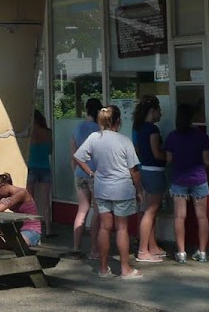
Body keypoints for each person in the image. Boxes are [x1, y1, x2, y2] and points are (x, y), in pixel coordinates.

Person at [74, 105, 144, 280]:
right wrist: (139, 190)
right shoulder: (124, 141)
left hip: (101, 188)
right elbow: (134, 170)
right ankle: (125, 269)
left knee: (105, 227)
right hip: (122, 189)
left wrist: (91, 172)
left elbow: (78, 156)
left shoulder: (94, 138)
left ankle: (103, 268)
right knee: (122, 228)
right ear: (118, 121)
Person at [164, 103, 209, 263]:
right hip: (198, 179)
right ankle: (203, 252)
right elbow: (207, 160)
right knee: (202, 217)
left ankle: (181, 252)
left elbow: (169, 159)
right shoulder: (200, 135)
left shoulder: (172, 136)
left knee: (179, 217)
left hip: (179, 179)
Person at [132, 95, 168, 262]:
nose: (160, 114)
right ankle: (143, 251)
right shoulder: (153, 130)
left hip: (144, 170)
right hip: (154, 172)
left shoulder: (139, 129)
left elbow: (139, 150)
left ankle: (152, 246)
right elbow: (157, 153)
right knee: (150, 211)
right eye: (159, 110)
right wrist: (169, 156)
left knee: (149, 211)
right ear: (152, 111)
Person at [71, 97, 103, 259]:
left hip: (80, 173)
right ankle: (93, 249)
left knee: (82, 210)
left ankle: (76, 246)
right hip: (95, 174)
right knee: (97, 212)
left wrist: (75, 171)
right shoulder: (99, 130)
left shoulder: (77, 128)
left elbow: (74, 154)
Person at [0, 172, 42, 248]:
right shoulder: (4, 197)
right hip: (18, 230)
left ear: (4, 186)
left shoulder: (21, 193)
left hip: (32, 231)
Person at [27, 109, 54, 237]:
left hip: (31, 167)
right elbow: (50, 151)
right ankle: (48, 229)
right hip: (45, 167)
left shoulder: (30, 133)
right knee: (45, 200)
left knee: (30, 200)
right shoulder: (48, 132)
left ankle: (33, 227)